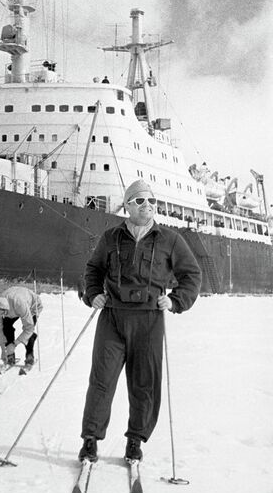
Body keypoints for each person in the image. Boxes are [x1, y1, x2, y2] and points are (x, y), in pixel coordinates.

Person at [78, 179, 201, 464]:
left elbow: (191, 275)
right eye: (140, 201)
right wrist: (94, 294)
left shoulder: (170, 239)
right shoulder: (110, 237)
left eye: (152, 201)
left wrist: (176, 300)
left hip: (149, 320)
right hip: (113, 317)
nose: (148, 206)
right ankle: (90, 440)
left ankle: (135, 440)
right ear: (128, 206)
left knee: (145, 383)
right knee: (101, 380)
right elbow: (94, 269)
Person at [0, 285, 43, 367]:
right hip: (12, 306)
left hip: (31, 305)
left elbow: (29, 328)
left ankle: (29, 356)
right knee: (6, 328)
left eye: (1, 313)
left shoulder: (19, 304)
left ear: (5, 309)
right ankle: (10, 355)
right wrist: (3, 349)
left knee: (28, 333)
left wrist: (14, 344)